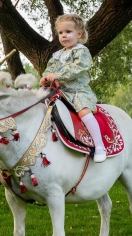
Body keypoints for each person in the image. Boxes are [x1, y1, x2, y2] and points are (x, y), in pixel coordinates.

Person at [40, 13, 106, 163]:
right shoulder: (56, 55)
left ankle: (100, 145)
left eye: (68, 32)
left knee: (83, 111)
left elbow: (78, 68)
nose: (64, 36)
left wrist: (58, 75)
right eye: (61, 33)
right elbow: (50, 69)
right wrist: (45, 78)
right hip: (59, 92)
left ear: (79, 34)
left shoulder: (81, 52)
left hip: (77, 91)